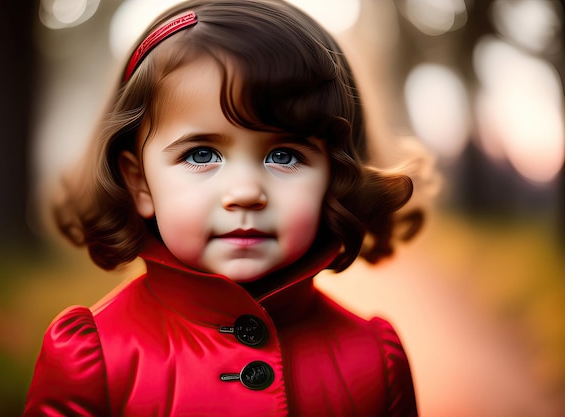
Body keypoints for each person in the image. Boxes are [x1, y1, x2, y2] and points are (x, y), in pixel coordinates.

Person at [23, 0, 428, 415]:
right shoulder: (95, 359)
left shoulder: (373, 360)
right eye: (201, 155)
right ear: (140, 182)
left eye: (285, 155)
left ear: (334, 177)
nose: (246, 193)